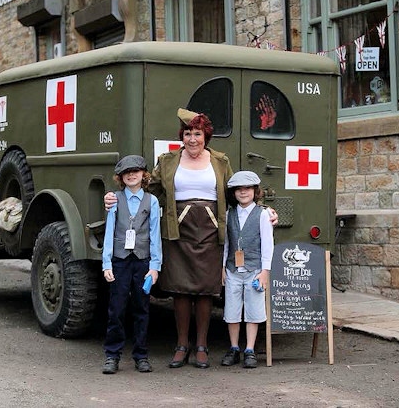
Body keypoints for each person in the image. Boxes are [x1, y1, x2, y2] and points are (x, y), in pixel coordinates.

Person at [104, 108, 278, 369]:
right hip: (179, 232)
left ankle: (202, 346)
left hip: (210, 233)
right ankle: (181, 345)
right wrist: (112, 197)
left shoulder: (220, 160)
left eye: (197, 133)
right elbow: (145, 187)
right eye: (187, 134)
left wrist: (266, 208)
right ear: (182, 137)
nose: (192, 139)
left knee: (206, 290)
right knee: (180, 290)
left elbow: (237, 191)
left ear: (206, 136)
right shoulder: (168, 160)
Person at [101, 155, 161, 374]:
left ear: (144, 175)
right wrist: (106, 262)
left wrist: (155, 266)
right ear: (121, 177)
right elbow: (109, 231)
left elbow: (155, 235)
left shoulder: (151, 201)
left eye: (136, 171)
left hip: (142, 261)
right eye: (127, 172)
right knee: (116, 309)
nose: (132, 175)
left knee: (141, 308)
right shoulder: (115, 199)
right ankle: (112, 355)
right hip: (120, 261)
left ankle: (141, 354)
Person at [220, 171, 274, 369]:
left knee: (253, 309)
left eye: (247, 189)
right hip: (233, 269)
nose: (243, 192)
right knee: (232, 310)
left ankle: (249, 349)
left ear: (255, 191)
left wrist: (265, 271)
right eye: (239, 189)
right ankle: (234, 347)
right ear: (234, 193)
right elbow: (226, 243)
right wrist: (223, 267)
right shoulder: (229, 214)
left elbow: (268, 244)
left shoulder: (263, 214)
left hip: (254, 270)